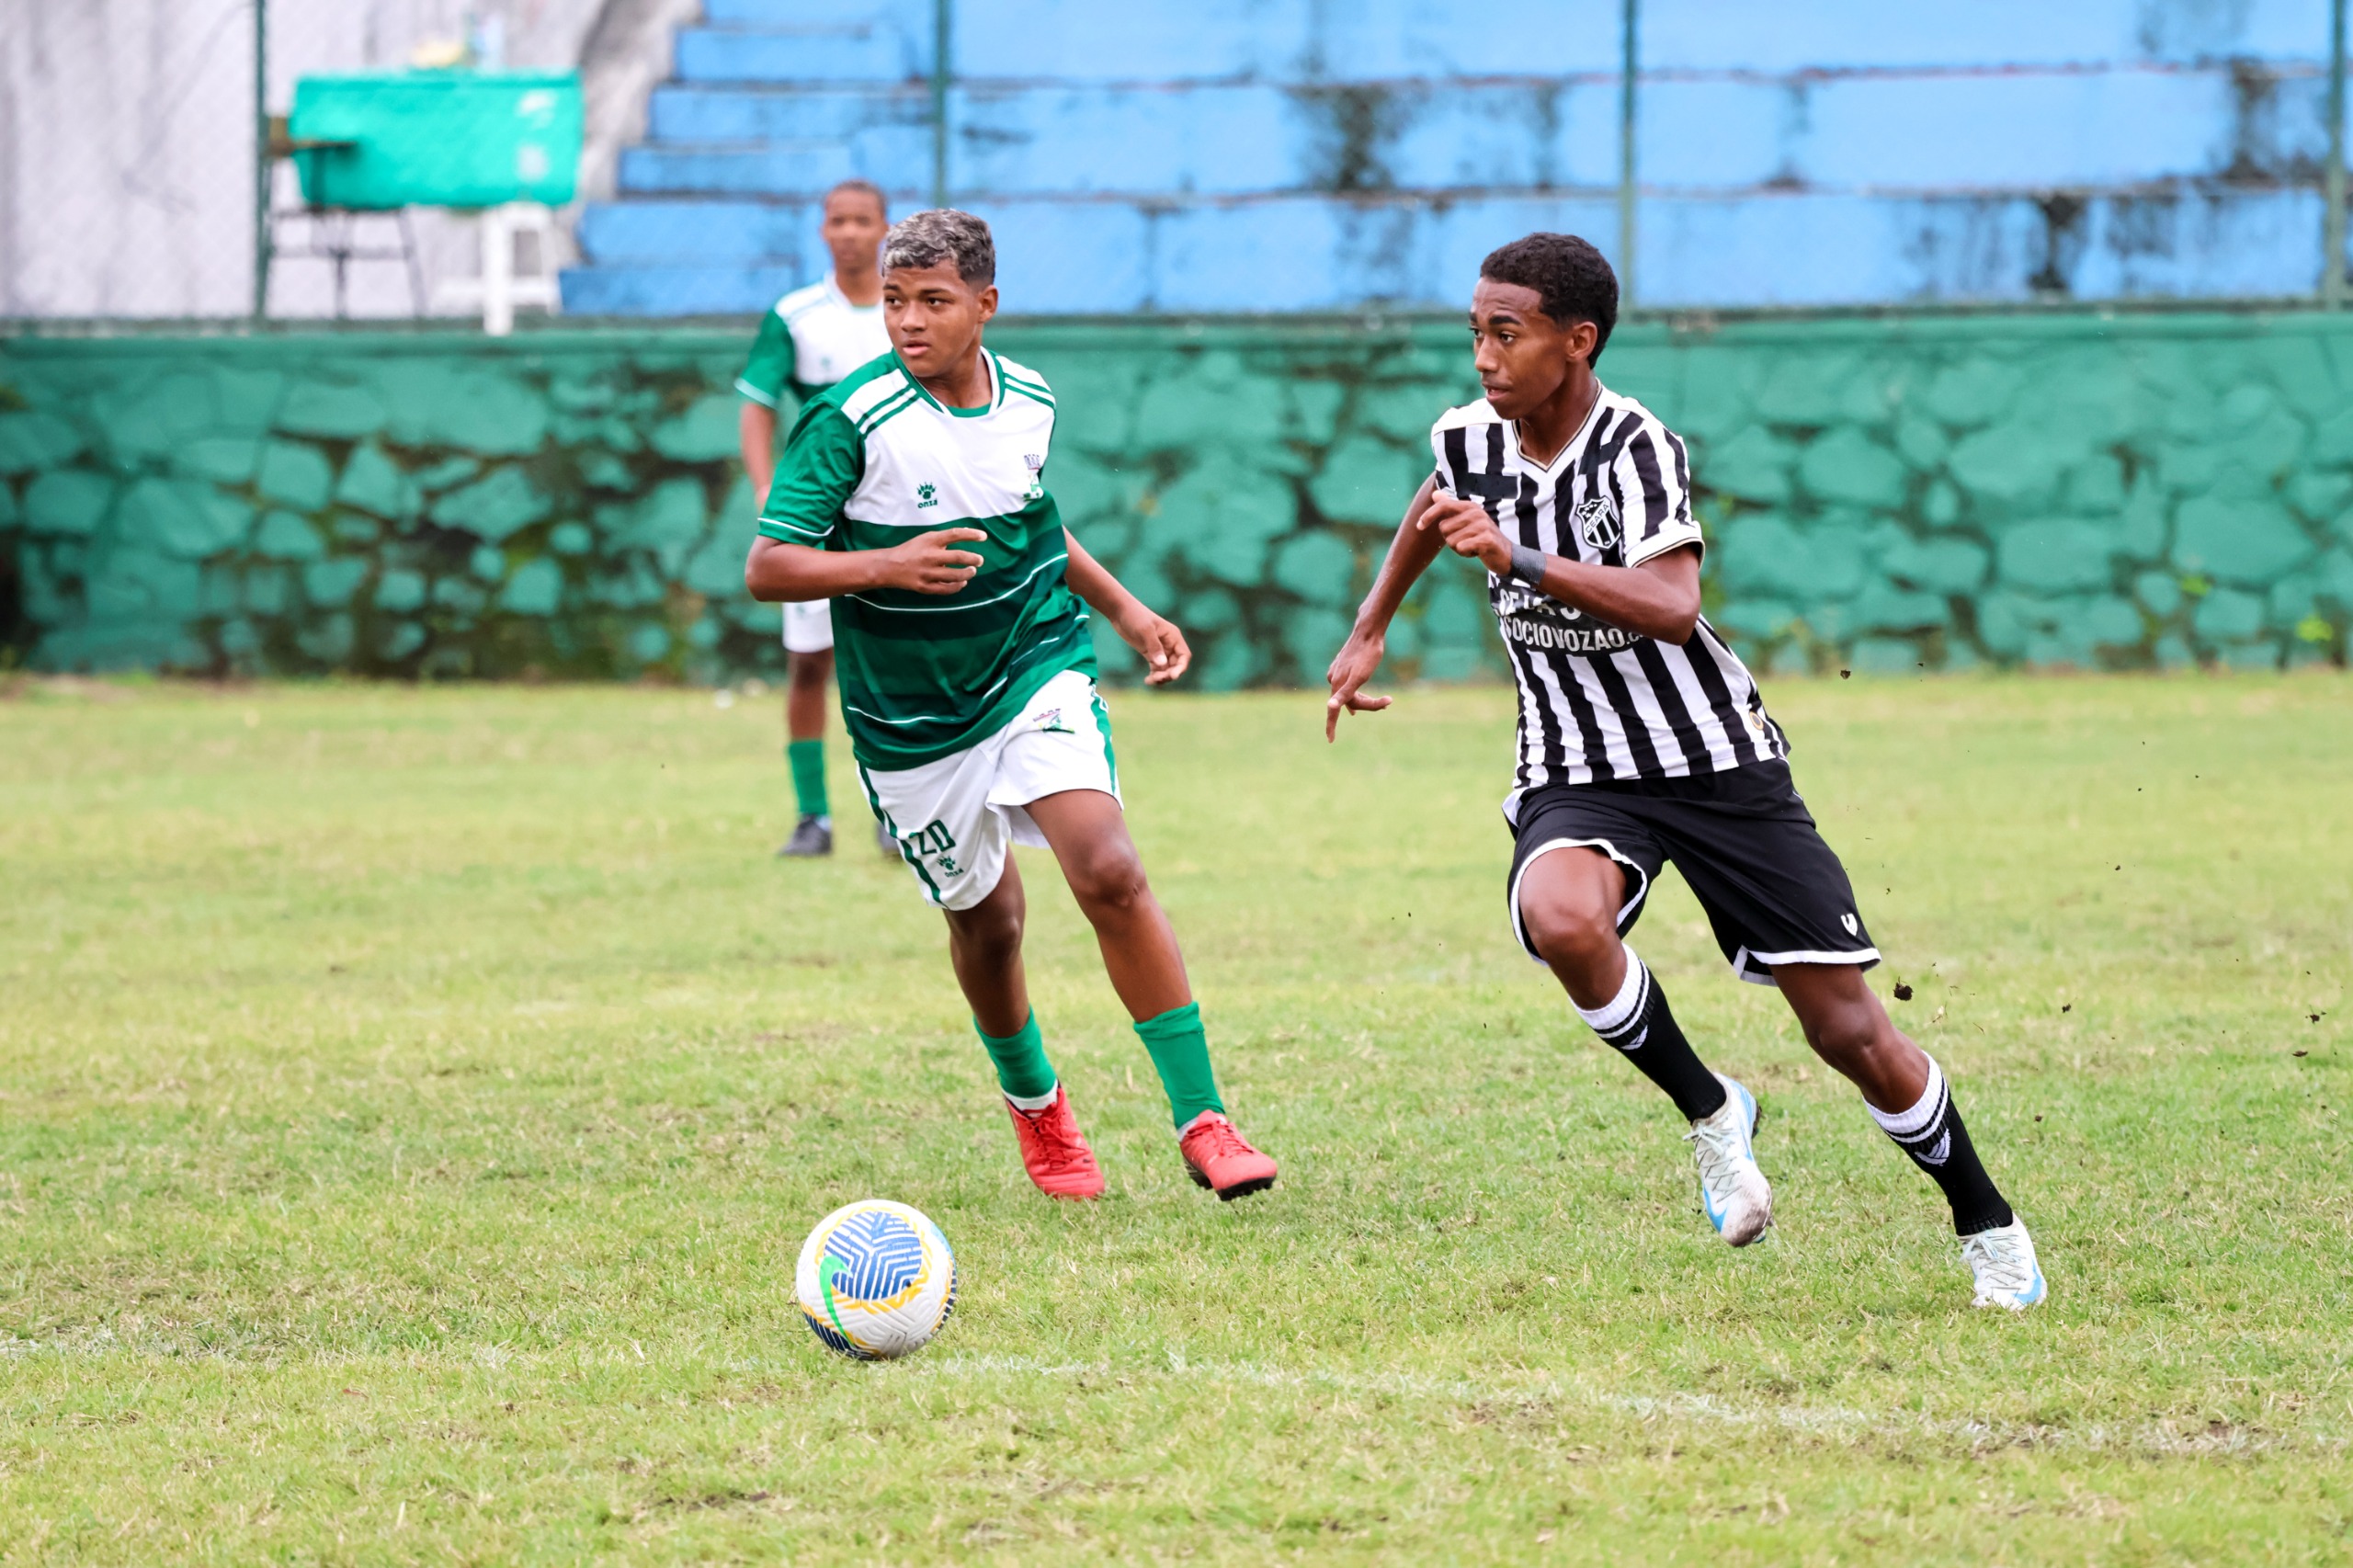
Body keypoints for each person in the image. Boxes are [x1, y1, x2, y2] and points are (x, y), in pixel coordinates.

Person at [1324, 232, 2044, 1309]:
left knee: (1847, 1029)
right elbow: (1434, 508)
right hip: (1578, 758)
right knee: (1561, 918)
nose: (1482, 354)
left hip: (1713, 759)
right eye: (1473, 330)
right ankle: (1715, 1114)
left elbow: (1671, 605)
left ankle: (1987, 1222)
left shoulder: (1636, 447)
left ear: (1578, 341)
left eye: (1505, 333)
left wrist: (1515, 556)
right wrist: (1369, 625)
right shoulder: (1469, 438)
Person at [744, 209, 1279, 1202]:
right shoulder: (849, 421)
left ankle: (1205, 1120)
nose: (909, 320)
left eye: (934, 301)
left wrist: (1121, 606)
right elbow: (768, 564)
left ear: (985, 305)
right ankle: (1035, 1100)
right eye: (897, 300)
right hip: (912, 722)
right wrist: (884, 564)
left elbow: (1034, 521)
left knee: (1109, 868)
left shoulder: (1029, 398)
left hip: (1034, 664)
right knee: (989, 926)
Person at [737, 178, 895, 858]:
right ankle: (813, 818)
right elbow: (756, 401)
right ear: (822, 230)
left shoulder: (906, 310)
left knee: (893, 664)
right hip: (820, 519)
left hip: (892, 516)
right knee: (809, 665)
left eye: (864, 220)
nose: (851, 232)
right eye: (839, 220)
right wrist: (765, 485)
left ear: (886, 228)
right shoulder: (796, 314)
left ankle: (897, 814)